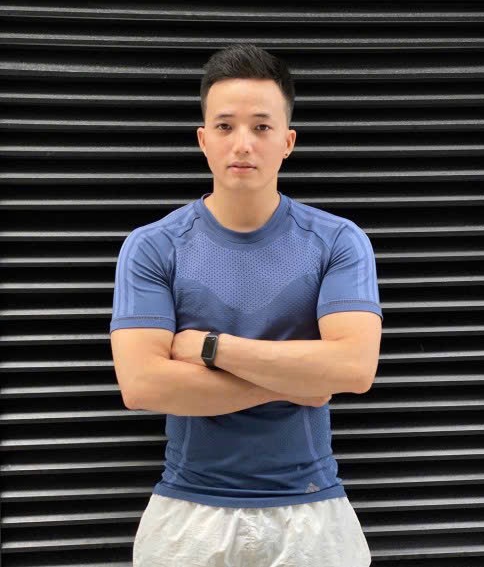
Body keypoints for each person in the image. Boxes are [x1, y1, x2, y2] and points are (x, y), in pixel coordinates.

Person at [110, 43, 383, 566]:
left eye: (261, 127)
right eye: (225, 126)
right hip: (188, 512)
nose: (243, 144)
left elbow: (353, 368)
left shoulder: (338, 241)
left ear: (287, 141)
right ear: (203, 139)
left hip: (312, 510)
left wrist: (211, 348)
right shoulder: (153, 246)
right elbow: (143, 385)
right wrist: (300, 381)